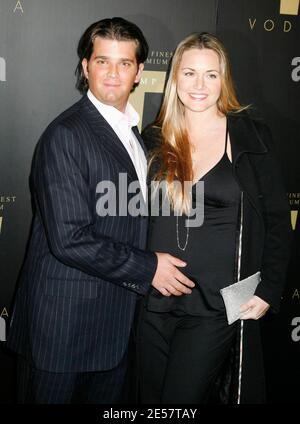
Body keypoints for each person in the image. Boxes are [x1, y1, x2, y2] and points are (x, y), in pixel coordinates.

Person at [7, 17, 195, 404]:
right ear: (85, 67)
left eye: (124, 63)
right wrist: (150, 268)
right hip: (63, 331)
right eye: (102, 61)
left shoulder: (137, 139)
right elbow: (69, 240)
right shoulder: (66, 135)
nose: (113, 73)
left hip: (115, 330)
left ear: (140, 72)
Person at [138, 32, 292, 404]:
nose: (199, 85)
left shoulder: (250, 136)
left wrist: (269, 288)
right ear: (175, 77)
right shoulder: (154, 138)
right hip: (154, 302)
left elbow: (276, 221)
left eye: (211, 74)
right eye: (190, 73)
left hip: (216, 305)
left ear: (224, 80)